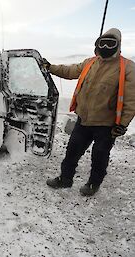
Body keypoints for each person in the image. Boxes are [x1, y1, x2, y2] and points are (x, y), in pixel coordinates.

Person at [43, 28, 135, 196]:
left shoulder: (128, 67)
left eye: (111, 43)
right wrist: (50, 67)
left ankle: (93, 184)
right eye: (103, 43)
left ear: (118, 45)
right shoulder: (90, 62)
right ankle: (65, 179)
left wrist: (122, 125)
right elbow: (70, 71)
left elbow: (131, 100)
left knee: (99, 156)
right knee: (72, 150)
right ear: (97, 45)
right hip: (83, 120)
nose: (106, 46)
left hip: (106, 124)